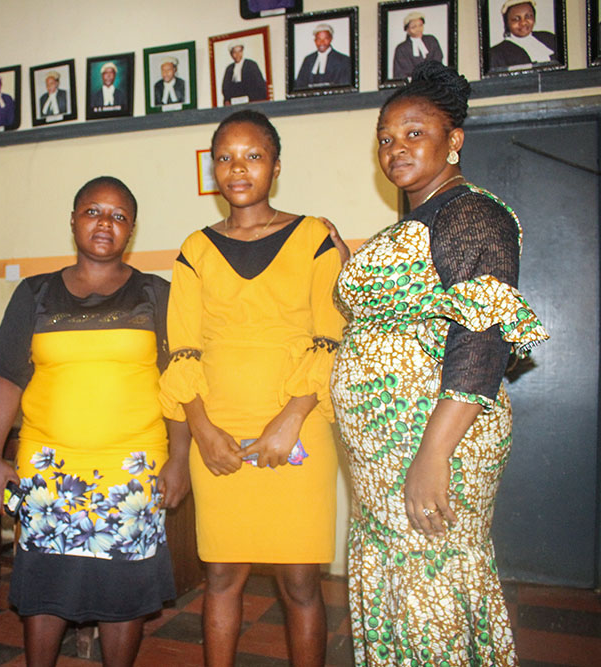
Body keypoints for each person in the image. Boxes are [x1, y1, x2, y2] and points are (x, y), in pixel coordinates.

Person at [331, 61, 549, 665]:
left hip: (433, 441)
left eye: (414, 133)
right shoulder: (417, 220)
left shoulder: (470, 213)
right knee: (403, 586)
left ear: (454, 140)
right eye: (385, 138)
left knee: (434, 585)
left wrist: (434, 455)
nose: (395, 148)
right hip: (385, 454)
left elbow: (480, 342)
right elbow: (409, 307)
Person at [0, 176, 191, 667]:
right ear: (73, 220)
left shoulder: (156, 294)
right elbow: (7, 379)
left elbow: (178, 383)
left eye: (118, 216)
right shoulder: (34, 294)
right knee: (46, 585)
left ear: (131, 231)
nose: (105, 223)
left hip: (132, 472)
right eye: (93, 211)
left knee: (124, 591)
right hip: (49, 470)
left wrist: (180, 459)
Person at [160, 110, 346, 666]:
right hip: (218, 426)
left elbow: (331, 335)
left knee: (300, 582)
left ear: (277, 166)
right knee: (221, 576)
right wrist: (201, 431)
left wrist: (290, 419)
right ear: (213, 167)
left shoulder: (314, 236)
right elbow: (181, 347)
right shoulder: (194, 247)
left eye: (253, 156)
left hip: (300, 425)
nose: (237, 168)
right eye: (225, 157)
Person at [489, 0, 558, 69]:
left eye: (528, 16)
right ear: (507, 22)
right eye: (516, 19)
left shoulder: (549, 37)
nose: (523, 23)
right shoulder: (496, 54)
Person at [294, 24, 352, 89]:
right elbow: (299, 85)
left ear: (331, 39)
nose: (322, 42)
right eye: (318, 39)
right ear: (315, 41)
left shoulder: (343, 60)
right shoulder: (308, 60)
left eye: (325, 39)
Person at [392, 11, 444, 79]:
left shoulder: (432, 41)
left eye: (420, 25)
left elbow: (438, 60)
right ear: (407, 29)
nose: (418, 29)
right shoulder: (401, 49)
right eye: (414, 27)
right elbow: (401, 73)